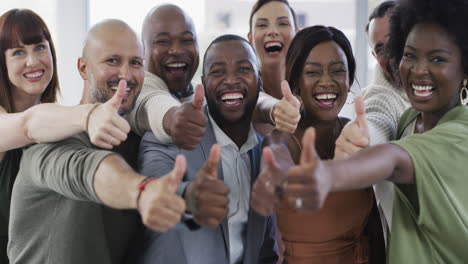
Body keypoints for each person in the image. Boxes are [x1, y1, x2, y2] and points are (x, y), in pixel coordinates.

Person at [286, 0, 468, 262]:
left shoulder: (461, 133)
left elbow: (393, 160)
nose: (418, 69)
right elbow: (379, 117)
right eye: (409, 55)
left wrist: (330, 173)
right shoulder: (409, 119)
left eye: (437, 58)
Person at [8, 19, 187, 264]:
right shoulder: (50, 143)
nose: (126, 75)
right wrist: (142, 191)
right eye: (112, 61)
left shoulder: (137, 139)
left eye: (135, 63)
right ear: (83, 68)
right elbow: (86, 169)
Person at [0, 9, 128, 263]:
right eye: (18, 52)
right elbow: (28, 125)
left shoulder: (58, 123)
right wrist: (90, 114)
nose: (33, 61)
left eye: (39, 47)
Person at [138, 35, 278, 264]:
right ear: (203, 83)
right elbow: (155, 193)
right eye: (218, 71)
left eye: (243, 69)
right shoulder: (170, 136)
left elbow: (265, 252)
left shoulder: (264, 153)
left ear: (259, 81)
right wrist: (189, 199)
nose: (231, 80)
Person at [250, 25, 384, 264]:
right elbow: (277, 162)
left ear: (349, 78)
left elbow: (373, 228)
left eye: (337, 71)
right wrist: (281, 178)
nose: (327, 82)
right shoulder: (282, 139)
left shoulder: (351, 131)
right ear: (297, 82)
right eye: (313, 72)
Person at [128, 4, 300, 150]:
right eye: (163, 41)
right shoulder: (138, 86)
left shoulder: (199, 91)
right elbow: (152, 102)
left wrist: (273, 109)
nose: (177, 50)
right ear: (143, 50)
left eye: (187, 40)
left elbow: (249, 100)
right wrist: (174, 117)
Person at [248, 0, 301, 135]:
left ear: (297, 35)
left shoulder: (310, 92)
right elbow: (257, 101)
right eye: (262, 25)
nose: (272, 31)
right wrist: (274, 109)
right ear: (250, 39)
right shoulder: (243, 91)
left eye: (283, 23)